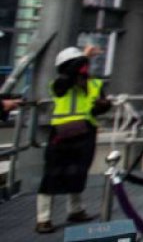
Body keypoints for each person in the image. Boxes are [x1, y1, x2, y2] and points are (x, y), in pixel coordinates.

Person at [37, 45, 110, 234]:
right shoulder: (59, 84)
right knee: (51, 175)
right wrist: (84, 56)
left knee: (78, 172)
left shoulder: (94, 84)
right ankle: (43, 218)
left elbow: (100, 105)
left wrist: (102, 106)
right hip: (62, 133)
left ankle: (75, 210)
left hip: (85, 132)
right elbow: (67, 79)